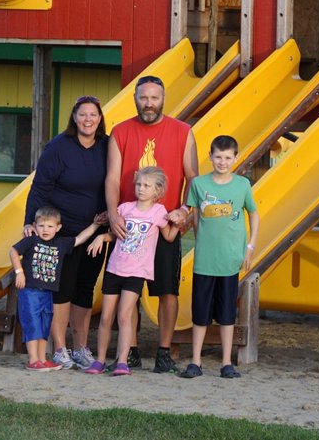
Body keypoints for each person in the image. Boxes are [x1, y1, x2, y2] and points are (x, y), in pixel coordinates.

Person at [105, 75, 198, 373]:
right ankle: (130, 350)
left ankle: (163, 351)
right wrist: (113, 214)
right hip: (129, 225)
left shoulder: (183, 131)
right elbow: (112, 178)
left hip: (163, 225)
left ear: (163, 99)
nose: (149, 103)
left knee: (167, 291)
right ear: (135, 98)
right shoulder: (120, 132)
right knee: (127, 292)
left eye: (154, 98)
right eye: (143, 98)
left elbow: (193, 177)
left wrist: (185, 210)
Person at [23, 95, 108, 370]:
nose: (87, 119)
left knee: (85, 289)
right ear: (74, 117)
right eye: (82, 114)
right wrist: (29, 221)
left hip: (95, 231)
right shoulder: (58, 148)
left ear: (100, 118)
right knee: (62, 289)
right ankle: (60, 348)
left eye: (93, 115)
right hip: (63, 233)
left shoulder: (107, 147)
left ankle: (80, 347)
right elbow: (39, 188)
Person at [84, 167, 180, 376]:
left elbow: (169, 236)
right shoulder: (124, 208)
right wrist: (101, 237)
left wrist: (181, 220)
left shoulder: (159, 212)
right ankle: (100, 360)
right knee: (106, 317)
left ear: (157, 190)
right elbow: (115, 234)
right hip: (115, 268)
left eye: (146, 185)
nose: (141, 189)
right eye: (138, 184)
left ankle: (122, 362)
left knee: (124, 315)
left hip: (136, 272)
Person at [179, 135, 259, 379]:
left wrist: (250, 247)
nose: (222, 162)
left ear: (236, 158)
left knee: (226, 315)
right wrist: (201, 241)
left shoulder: (242, 185)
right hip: (205, 260)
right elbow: (194, 216)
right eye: (218, 157)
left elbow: (254, 214)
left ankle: (226, 362)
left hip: (230, 260)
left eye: (227, 157)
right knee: (200, 313)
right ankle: (196, 361)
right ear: (210, 157)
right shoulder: (199, 184)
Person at [10, 206, 100, 371]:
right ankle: (33, 359)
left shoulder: (60, 243)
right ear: (35, 226)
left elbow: (80, 239)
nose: (45, 230)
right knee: (32, 323)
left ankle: (42, 359)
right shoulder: (31, 241)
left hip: (47, 293)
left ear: (58, 228)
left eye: (50, 226)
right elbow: (13, 251)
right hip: (30, 291)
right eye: (41, 226)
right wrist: (19, 272)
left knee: (44, 325)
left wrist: (95, 225)